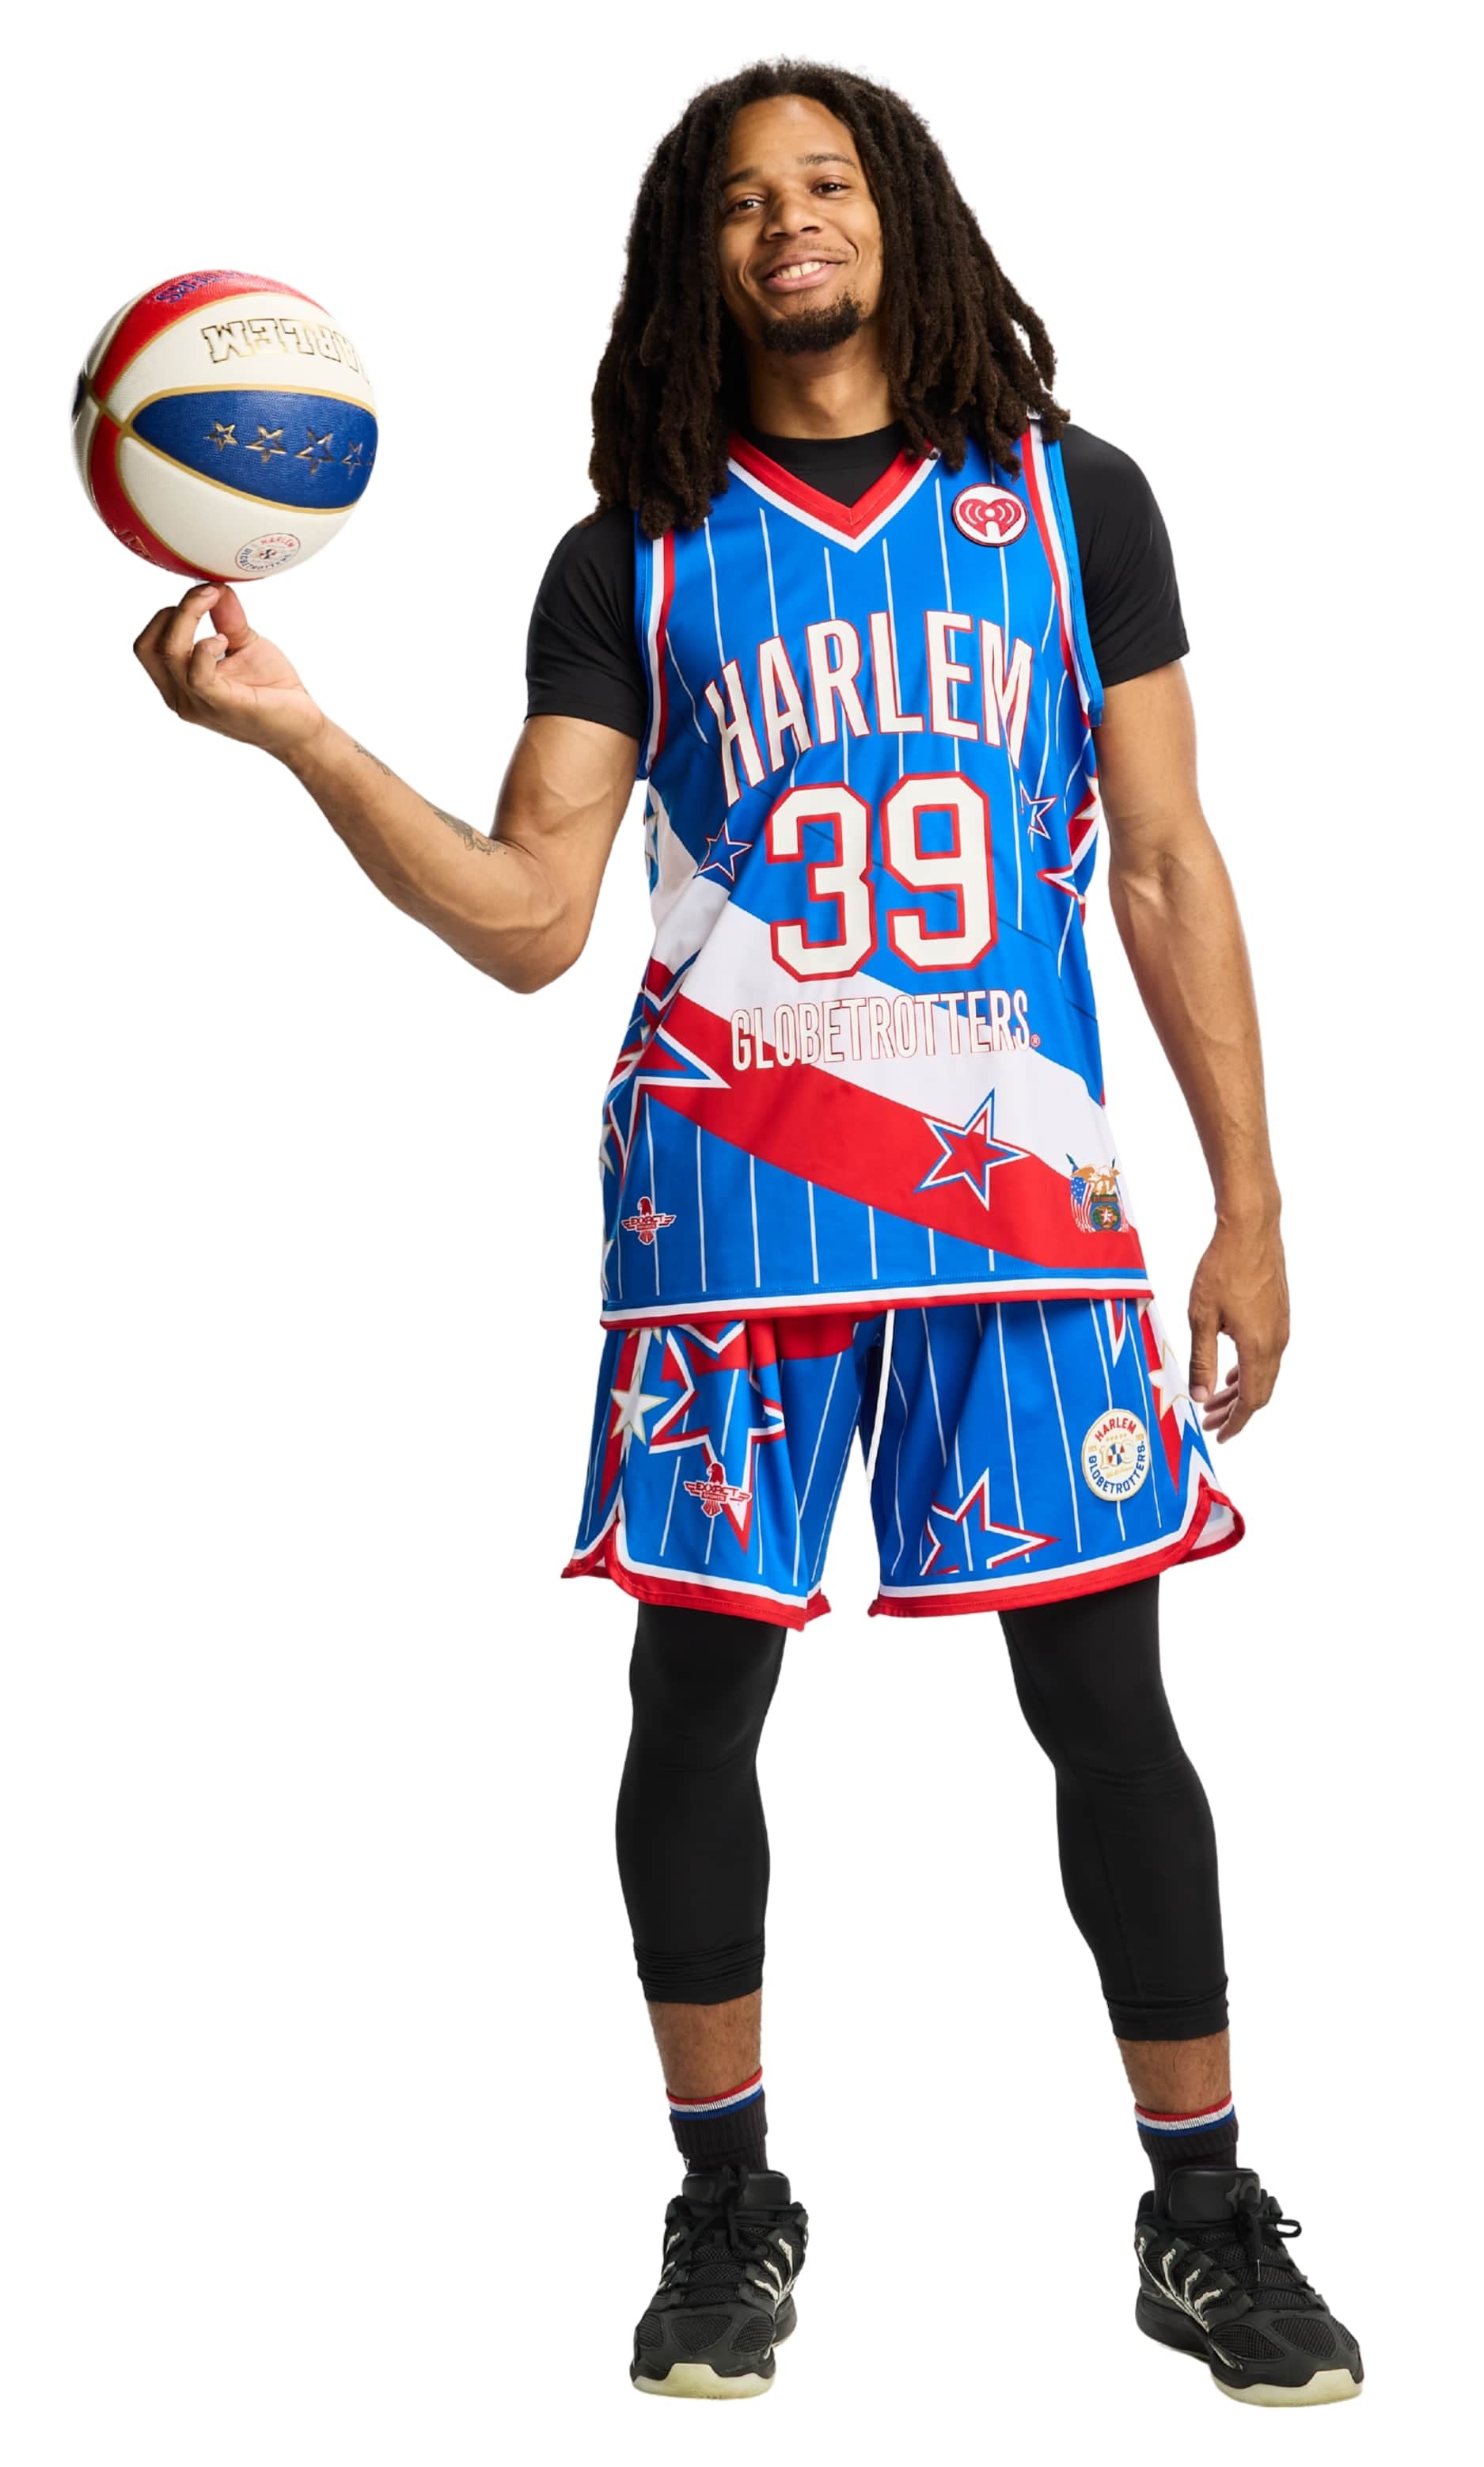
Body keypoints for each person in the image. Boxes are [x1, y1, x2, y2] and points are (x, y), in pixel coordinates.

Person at [131, 58, 1361, 2410]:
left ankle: (1201, 2216)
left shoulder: (1069, 500)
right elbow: (529, 915)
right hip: (734, 1208)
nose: (785, 219)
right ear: (687, 257)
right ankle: (724, 2207)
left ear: (903, 214)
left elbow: (1166, 861)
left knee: (1106, 1699)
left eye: (825, 180)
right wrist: (301, 732)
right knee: (696, 1698)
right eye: (734, 198)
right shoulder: (638, 550)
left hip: (1019, 1208)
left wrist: (1255, 1202)